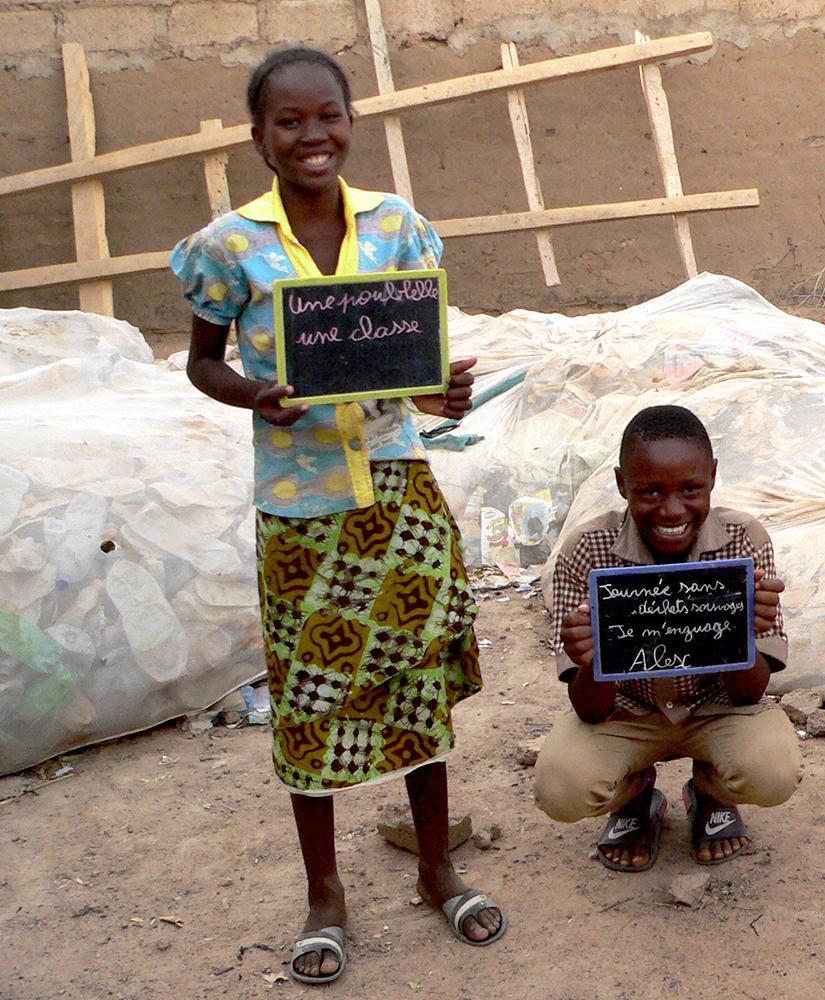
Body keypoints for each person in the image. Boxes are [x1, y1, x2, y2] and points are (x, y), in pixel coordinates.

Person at [171, 47, 504, 985]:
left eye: (328, 117)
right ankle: (326, 897)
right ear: (259, 136)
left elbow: (421, 365)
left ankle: (439, 869)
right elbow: (201, 361)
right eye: (288, 122)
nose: (311, 137)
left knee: (414, 686)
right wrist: (252, 396)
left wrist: (445, 397)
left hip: (397, 494)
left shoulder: (399, 229)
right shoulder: (228, 247)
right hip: (303, 511)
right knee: (311, 701)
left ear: (351, 122)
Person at [535, 405, 801, 871]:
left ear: (713, 477)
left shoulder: (743, 539)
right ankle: (635, 801)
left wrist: (735, 632)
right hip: (627, 712)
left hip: (715, 709)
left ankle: (709, 793)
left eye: (690, 489)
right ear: (622, 485)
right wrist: (593, 658)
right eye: (651, 492)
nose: (673, 510)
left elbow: (748, 693)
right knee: (562, 787)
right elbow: (590, 709)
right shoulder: (585, 549)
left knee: (771, 772)